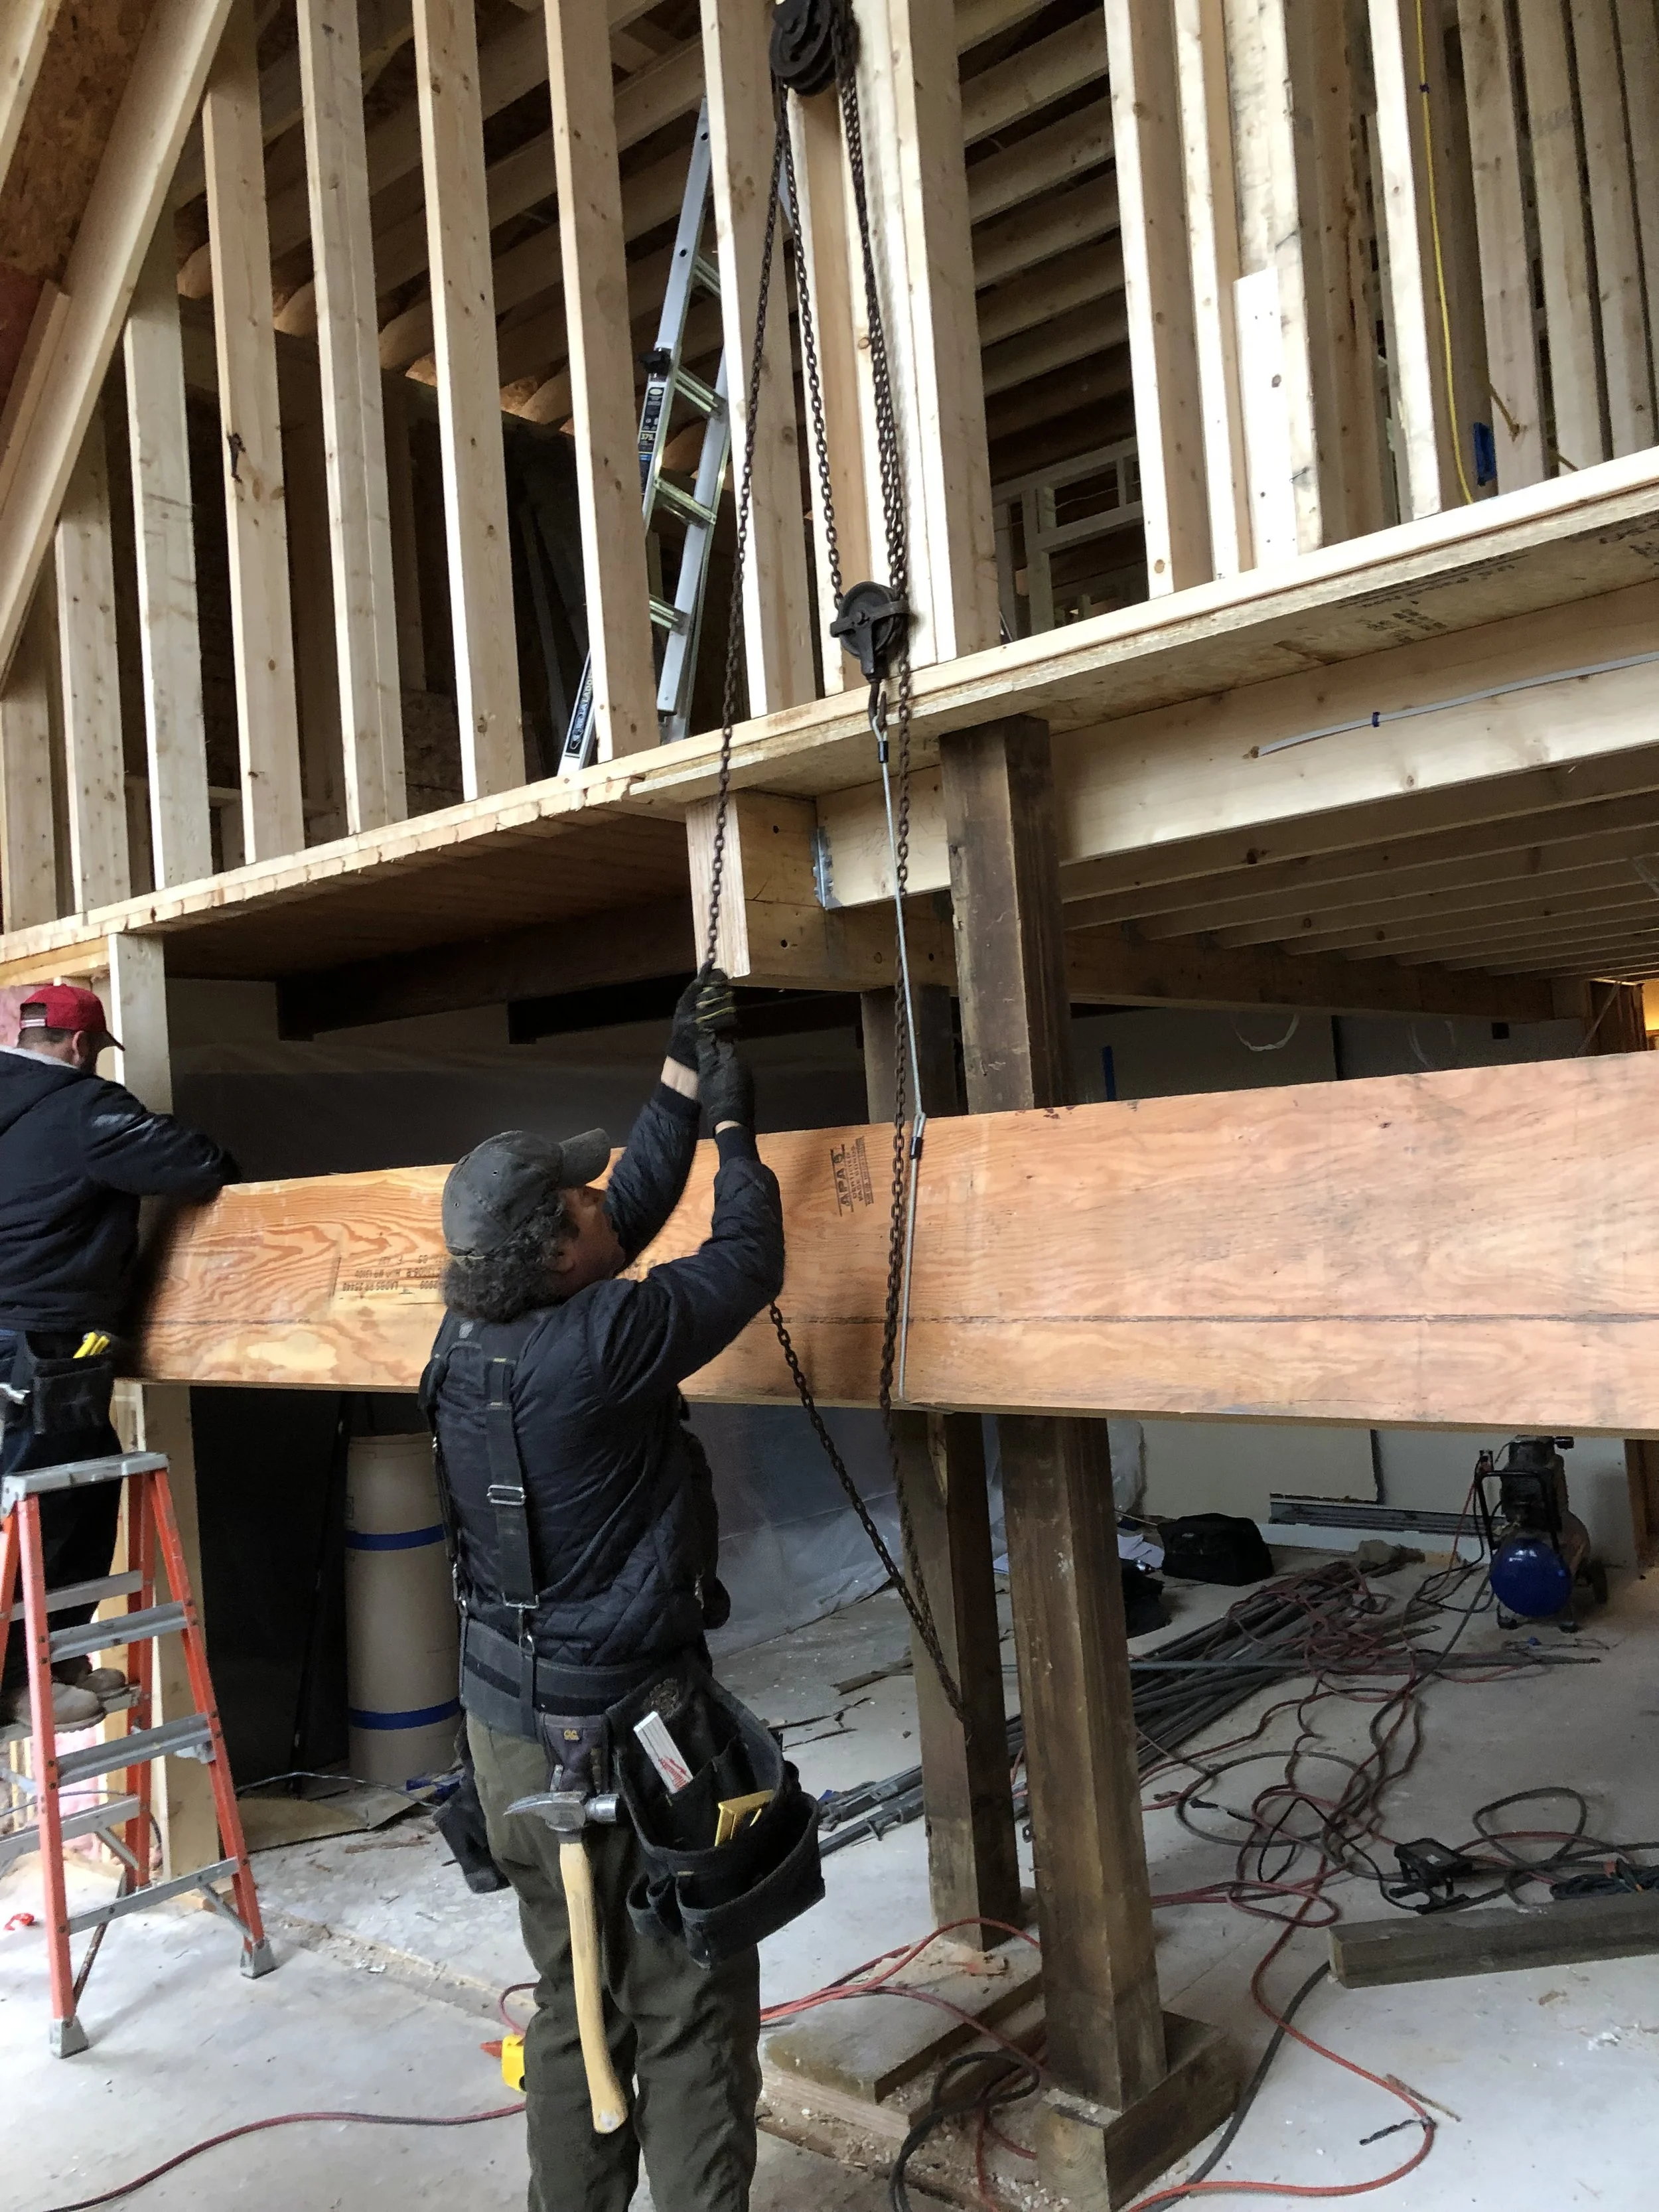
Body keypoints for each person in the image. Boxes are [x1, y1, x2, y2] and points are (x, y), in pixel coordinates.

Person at [423, 970, 784, 2212]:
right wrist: (738, 1134)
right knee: (687, 1997)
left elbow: (621, 1210)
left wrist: (683, 1072)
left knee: (576, 1996)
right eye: (578, 1198)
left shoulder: (468, 1333)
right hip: (631, 1730)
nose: (599, 1199)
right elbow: (746, 1258)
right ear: (554, 1251)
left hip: (507, 1729)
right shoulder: (604, 1343)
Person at [0, 985, 236, 1728]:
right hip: (41, 1347)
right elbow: (202, 1164)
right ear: (79, 1045)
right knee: (52, 1508)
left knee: (71, 1494)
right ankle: (19, 1683)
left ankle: (53, 1660)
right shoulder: (85, 1110)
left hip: (18, 1346)